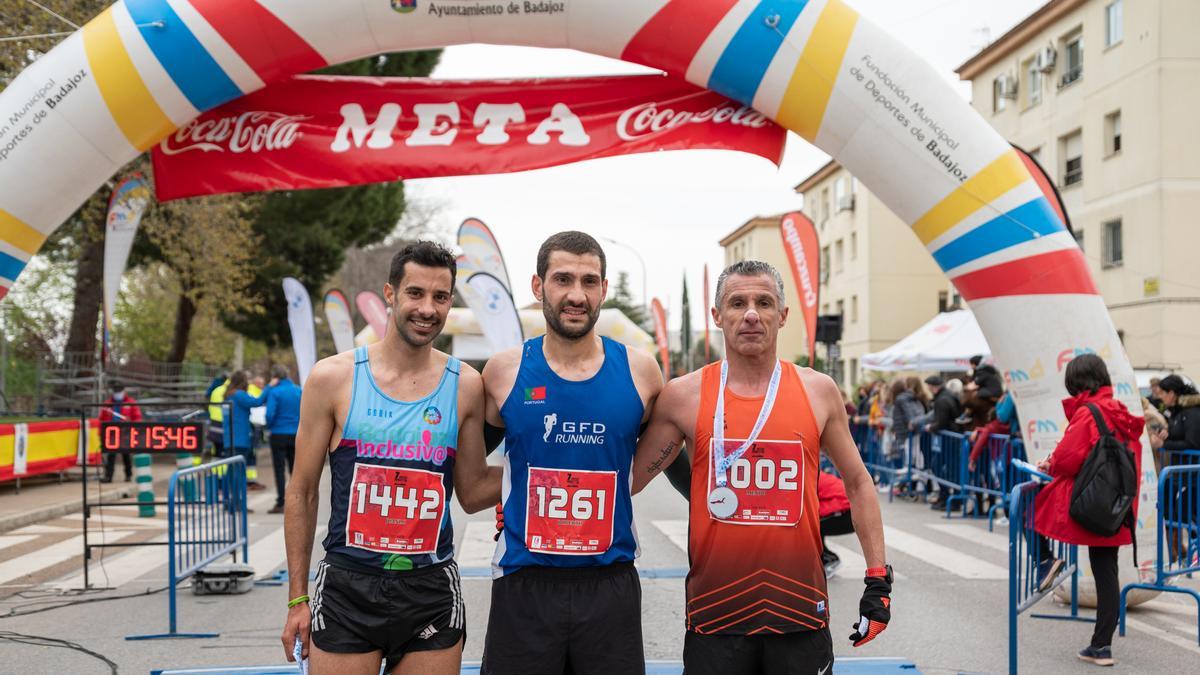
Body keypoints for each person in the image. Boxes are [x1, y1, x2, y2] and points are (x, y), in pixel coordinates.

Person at [633, 260, 890, 675]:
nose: (751, 313)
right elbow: (627, 480)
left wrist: (878, 579)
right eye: (737, 303)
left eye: (764, 302)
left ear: (782, 315)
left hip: (799, 614)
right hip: (715, 616)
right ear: (717, 316)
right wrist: (521, 490)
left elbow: (859, 484)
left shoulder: (818, 390)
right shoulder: (684, 396)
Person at [281, 241, 497, 674]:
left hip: (430, 589)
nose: (427, 308)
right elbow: (302, 492)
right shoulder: (333, 378)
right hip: (348, 587)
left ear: (450, 302)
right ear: (390, 294)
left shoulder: (465, 384)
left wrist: (544, 472)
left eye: (440, 297)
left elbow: (472, 491)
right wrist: (297, 598)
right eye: (416, 293)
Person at [479, 232, 663, 675]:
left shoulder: (641, 372)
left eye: (589, 281)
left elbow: (666, 462)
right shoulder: (503, 372)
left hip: (609, 584)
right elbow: (468, 482)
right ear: (538, 286)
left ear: (603, 289)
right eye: (563, 279)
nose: (576, 295)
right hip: (524, 583)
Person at [1033, 354, 1143, 667]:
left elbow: (1068, 459)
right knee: (1106, 571)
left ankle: (1045, 560)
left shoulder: (1089, 412)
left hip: (1092, 501)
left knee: (1030, 506)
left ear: (1076, 382)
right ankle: (1101, 646)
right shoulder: (1119, 410)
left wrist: (1050, 464)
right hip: (1117, 503)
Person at [265, 365, 302, 515]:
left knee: (279, 469)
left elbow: (269, 414)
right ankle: (298, 500)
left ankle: (281, 502)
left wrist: (270, 425)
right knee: (295, 470)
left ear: (276, 378)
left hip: (278, 433)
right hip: (296, 433)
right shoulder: (299, 390)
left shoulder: (275, 392)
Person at [223, 371, 268, 491]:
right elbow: (257, 402)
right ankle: (239, 503)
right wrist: (268, 388)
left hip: (229, 439)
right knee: (239, 473)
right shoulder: (239, 395)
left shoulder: (228, 395)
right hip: (240, 439)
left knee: (231, 472)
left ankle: (230, 502)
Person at [99, 383, 143, 483]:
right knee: (111, 455)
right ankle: (108, 476)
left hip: (125, 433)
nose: (117, 393)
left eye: (119, 391)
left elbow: (137, 418)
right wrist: (101, 433)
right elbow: (102, 419)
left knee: (126, 455)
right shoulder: (108, 404)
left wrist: (133, 427)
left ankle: (128, 475)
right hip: (112, 433)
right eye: (116, 391)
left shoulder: (130, 403)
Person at [817, 470, 854, 578]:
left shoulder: (807, 478)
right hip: (849, 510)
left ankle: (829, 559)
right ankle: (825, 559)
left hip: (847, 512)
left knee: (808, 526)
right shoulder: (814, 473)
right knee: (811, 525)